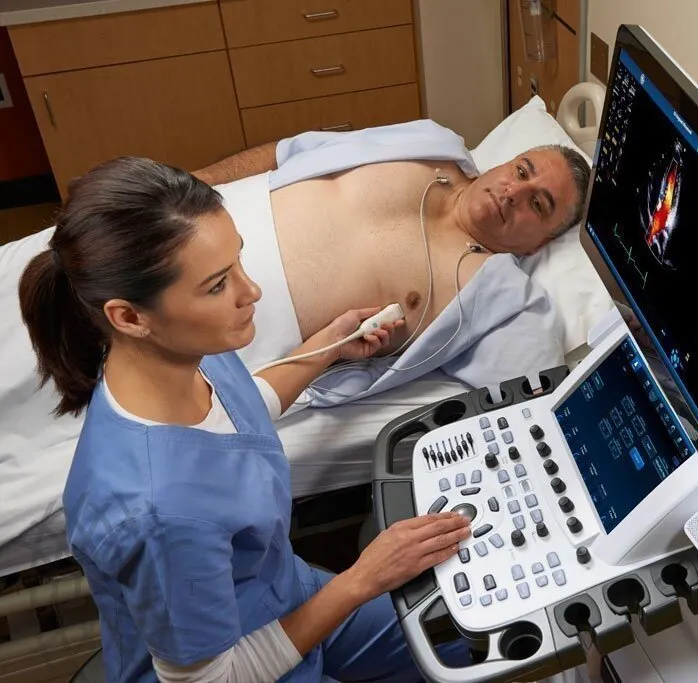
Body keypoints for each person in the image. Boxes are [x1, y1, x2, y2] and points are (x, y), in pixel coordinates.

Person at [18, 156, 474, 683]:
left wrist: (327, 349)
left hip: (282, 594)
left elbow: (237, 410)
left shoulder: (183, 358)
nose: (250, 291)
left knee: (464, 637)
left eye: (238, 261)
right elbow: (212, 677)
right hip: (239, 665)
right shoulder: (158, 514)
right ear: (130, 317)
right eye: (217, 285)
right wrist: (362, 579)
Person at [190, 121, 592, 388]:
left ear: (539, 244)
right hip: (192, 217)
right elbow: (287, 152)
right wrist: (189, 183)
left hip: (221, 338)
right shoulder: (431, 144)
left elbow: (538, 398)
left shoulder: (501, 297)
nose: (513, 192)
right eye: (521, 171)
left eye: (537, 204)